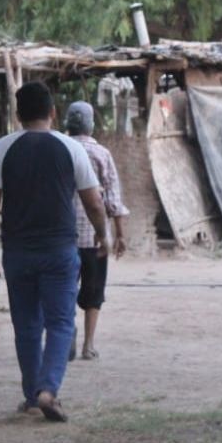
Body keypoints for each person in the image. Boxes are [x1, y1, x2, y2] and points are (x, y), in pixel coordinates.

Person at [0, 82, 109, 423]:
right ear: (53, 112)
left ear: (17, 114)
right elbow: (94, 202)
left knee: (26, 326)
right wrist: (103, 234)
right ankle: (48, 390)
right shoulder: (71, 148)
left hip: (17, 252)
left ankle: (32, 396)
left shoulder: (0, 149)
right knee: (60, 323)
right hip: (59, 250)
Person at [64, 101, 128, 362]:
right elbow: (113, 199)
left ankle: (66, 336)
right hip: (94, 238)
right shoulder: (102, 154)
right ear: (91, 125)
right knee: (94, 291)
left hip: (62, 237)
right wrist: (119, 235)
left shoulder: (59, 149)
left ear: (67, 124)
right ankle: (88, 345)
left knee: (64, 289)